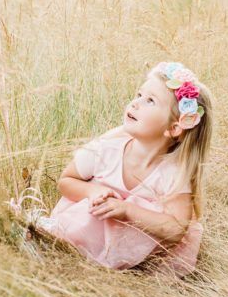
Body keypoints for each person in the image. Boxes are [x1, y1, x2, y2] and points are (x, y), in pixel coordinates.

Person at [32, 61, 213, 276]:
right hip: (82, 233)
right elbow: (66, 181)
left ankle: (123, 268)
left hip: (134, 254)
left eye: (150, 101)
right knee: (96, 209)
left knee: (150, 213)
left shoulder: (172, 173)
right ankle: (65, 250)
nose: (135, 104)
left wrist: (128, 211)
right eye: (138, 95)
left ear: (174, 128)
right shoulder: (106, 150)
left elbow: (175, 229)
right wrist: (92, 191)